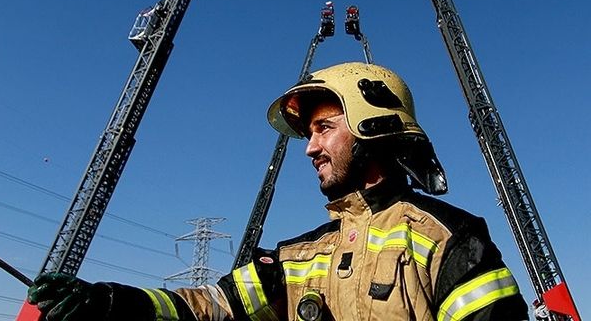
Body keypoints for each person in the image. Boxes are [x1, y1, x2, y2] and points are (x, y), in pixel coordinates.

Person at [28, 62, 529, 320]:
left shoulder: (448, 241)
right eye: (308, 133)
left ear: (372, 126)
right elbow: (210, 307)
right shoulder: (297, 257)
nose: (309, 148)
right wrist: (113, 304)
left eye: (325, 128)